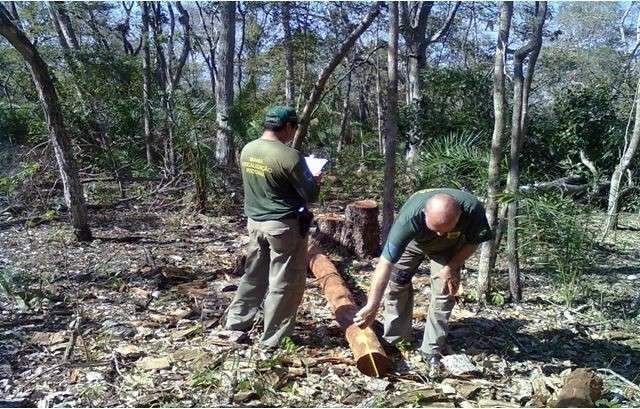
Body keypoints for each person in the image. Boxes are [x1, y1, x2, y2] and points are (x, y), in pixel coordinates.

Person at [353, 188, 492, 369]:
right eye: (435, 228)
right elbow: (385, 264)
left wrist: (452, 266)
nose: (439, 234)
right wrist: (372, 305)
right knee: (397, 282)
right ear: (424, 214)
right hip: (414, 242)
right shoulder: (408, 219)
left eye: (445, 229)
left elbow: (474, 242)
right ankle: (396, 338)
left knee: (445, 290)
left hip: (449, 248)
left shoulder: (473, 210)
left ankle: (431, 349)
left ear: (459, 217)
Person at [225, 106, 321, 348]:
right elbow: (311, 194)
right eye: (294, 127)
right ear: (287, 126)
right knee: (284, 282)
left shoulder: (248, 149)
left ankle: (236, 323)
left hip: (255, 223)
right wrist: (315, 177)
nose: (294, 131)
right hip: (283, 226)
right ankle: (274, 338)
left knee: (254, 273)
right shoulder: (289, 156)